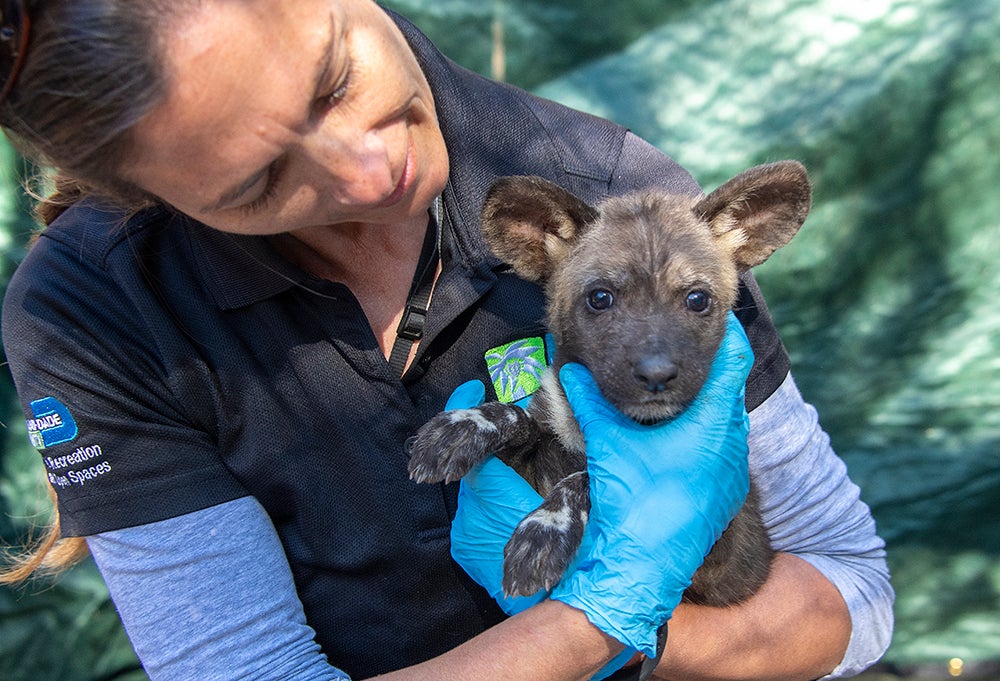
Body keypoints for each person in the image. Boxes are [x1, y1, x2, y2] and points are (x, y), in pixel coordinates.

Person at [0, 1, 893, 679]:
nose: (372, 171)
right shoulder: (96, 308)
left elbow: (850, 589)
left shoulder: (613, 201)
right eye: (258, 182)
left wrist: (652, 628)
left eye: (334, 80)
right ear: (149, 198)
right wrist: (597, 621)